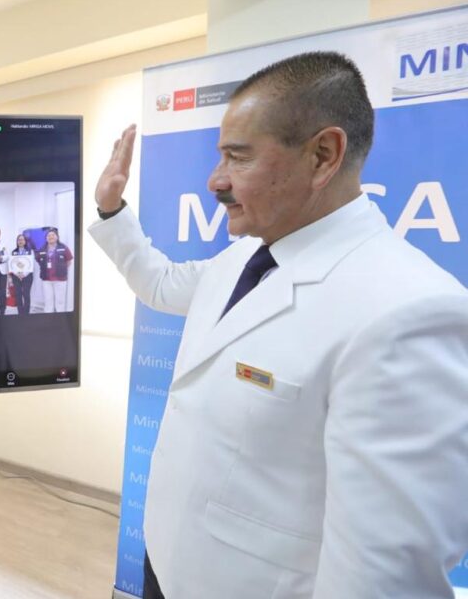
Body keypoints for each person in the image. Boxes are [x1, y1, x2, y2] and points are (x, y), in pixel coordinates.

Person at [90, 52, 468, 599]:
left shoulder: (409, 312)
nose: (215, 180)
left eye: (237, 157)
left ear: (322, 156)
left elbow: (378, 579)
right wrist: (111, 211)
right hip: (166, 566)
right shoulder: (245, 257)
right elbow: (164, 284)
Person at [35, 229, 72, 313]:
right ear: (46, 238)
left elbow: (69, 261)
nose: (51, 237)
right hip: (46, 280)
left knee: (60, 301)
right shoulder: (42, 249)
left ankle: (60, 318)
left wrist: (61, 269)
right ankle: (49, 318)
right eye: (48, 235)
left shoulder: (64, 247)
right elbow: (38, 260)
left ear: (57, 237)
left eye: (53, 235)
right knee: (48, 301)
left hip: (60, 279)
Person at [9, 234, 34, 315]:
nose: (20, 241)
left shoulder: (30, 251)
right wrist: (18, 274)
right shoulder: (13, 252)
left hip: (27, 276)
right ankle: (20, 313)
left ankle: (26, 313)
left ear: (25, 241)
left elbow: (31, 264)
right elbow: (12, 265)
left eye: (22, 239)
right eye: (19, 240)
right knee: (18, 295)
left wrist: (24, 274)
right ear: (17, 241)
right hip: (16, 276)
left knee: (26, 294)